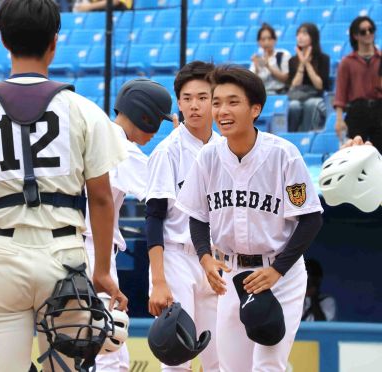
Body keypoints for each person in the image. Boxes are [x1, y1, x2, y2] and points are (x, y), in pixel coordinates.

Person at [0, 0, 128, 371]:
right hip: (65, 257)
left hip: (1, 256)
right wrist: (103, 270)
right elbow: (103, 199)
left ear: (5, 43)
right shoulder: (84, 110)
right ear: (54, 42)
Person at [175, 65, 323, 372]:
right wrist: (204, 257)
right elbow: (198, 216)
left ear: (255, 109)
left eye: (233, 102)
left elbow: (310, 219)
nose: (222, 110)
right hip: (231, 275)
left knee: (268, 365)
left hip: (280, 274)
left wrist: (278, 271)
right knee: (232, 367)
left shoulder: (284, 155)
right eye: (217, 102)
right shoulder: (209, 157)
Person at [84, 78, 173, 372]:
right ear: (143, 114)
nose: (156, 129)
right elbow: (166, 198)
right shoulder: (123, 149)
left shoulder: (88, 134)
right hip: (93, 251)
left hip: (57, 246)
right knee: (110, 350)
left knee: (71, 342)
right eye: (156, 120)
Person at [145, 61, 220, 372]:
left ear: (214, 100)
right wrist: (158, 280)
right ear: (179, 102)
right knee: (177, 360)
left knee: (221, 358)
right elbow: (153, 217)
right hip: (177, 258)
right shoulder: (168, 150)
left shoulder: (226, 148)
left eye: (202, 97)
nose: (194, 105)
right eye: (187, 98)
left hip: (215, 261)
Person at [334, 16, 382, 153]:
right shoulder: (347, 62)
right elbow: (341, 91)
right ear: (355, 35)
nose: (368, 33)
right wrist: (338, 119)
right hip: (357, 111)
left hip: (380, 109)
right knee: (355, 152)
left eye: (371, 30)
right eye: (363, 31)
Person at [287, 23, 330, 132]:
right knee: (293, 106)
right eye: (298, 34)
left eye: (304, 33)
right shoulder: (292, 60)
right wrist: (301, 63)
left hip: (316, 97)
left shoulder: (323, 58)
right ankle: (293, 136)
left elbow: (319, 85)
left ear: (313, 37)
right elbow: (294, 85)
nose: (300, 37)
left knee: (311, 104)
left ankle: (306, 136)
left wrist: (307, 63)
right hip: (298, 96)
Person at [250, 23, 291, 95]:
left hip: (279, 92)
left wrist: (268, 66)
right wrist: (256, 68)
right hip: (262, 94)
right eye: (263, 39)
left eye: (269, 39)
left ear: (275, 40)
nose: (266, 42)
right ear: (259, 42)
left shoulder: (282, 55)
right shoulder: (257, 58)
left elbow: (286, 79)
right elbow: (251, 84)